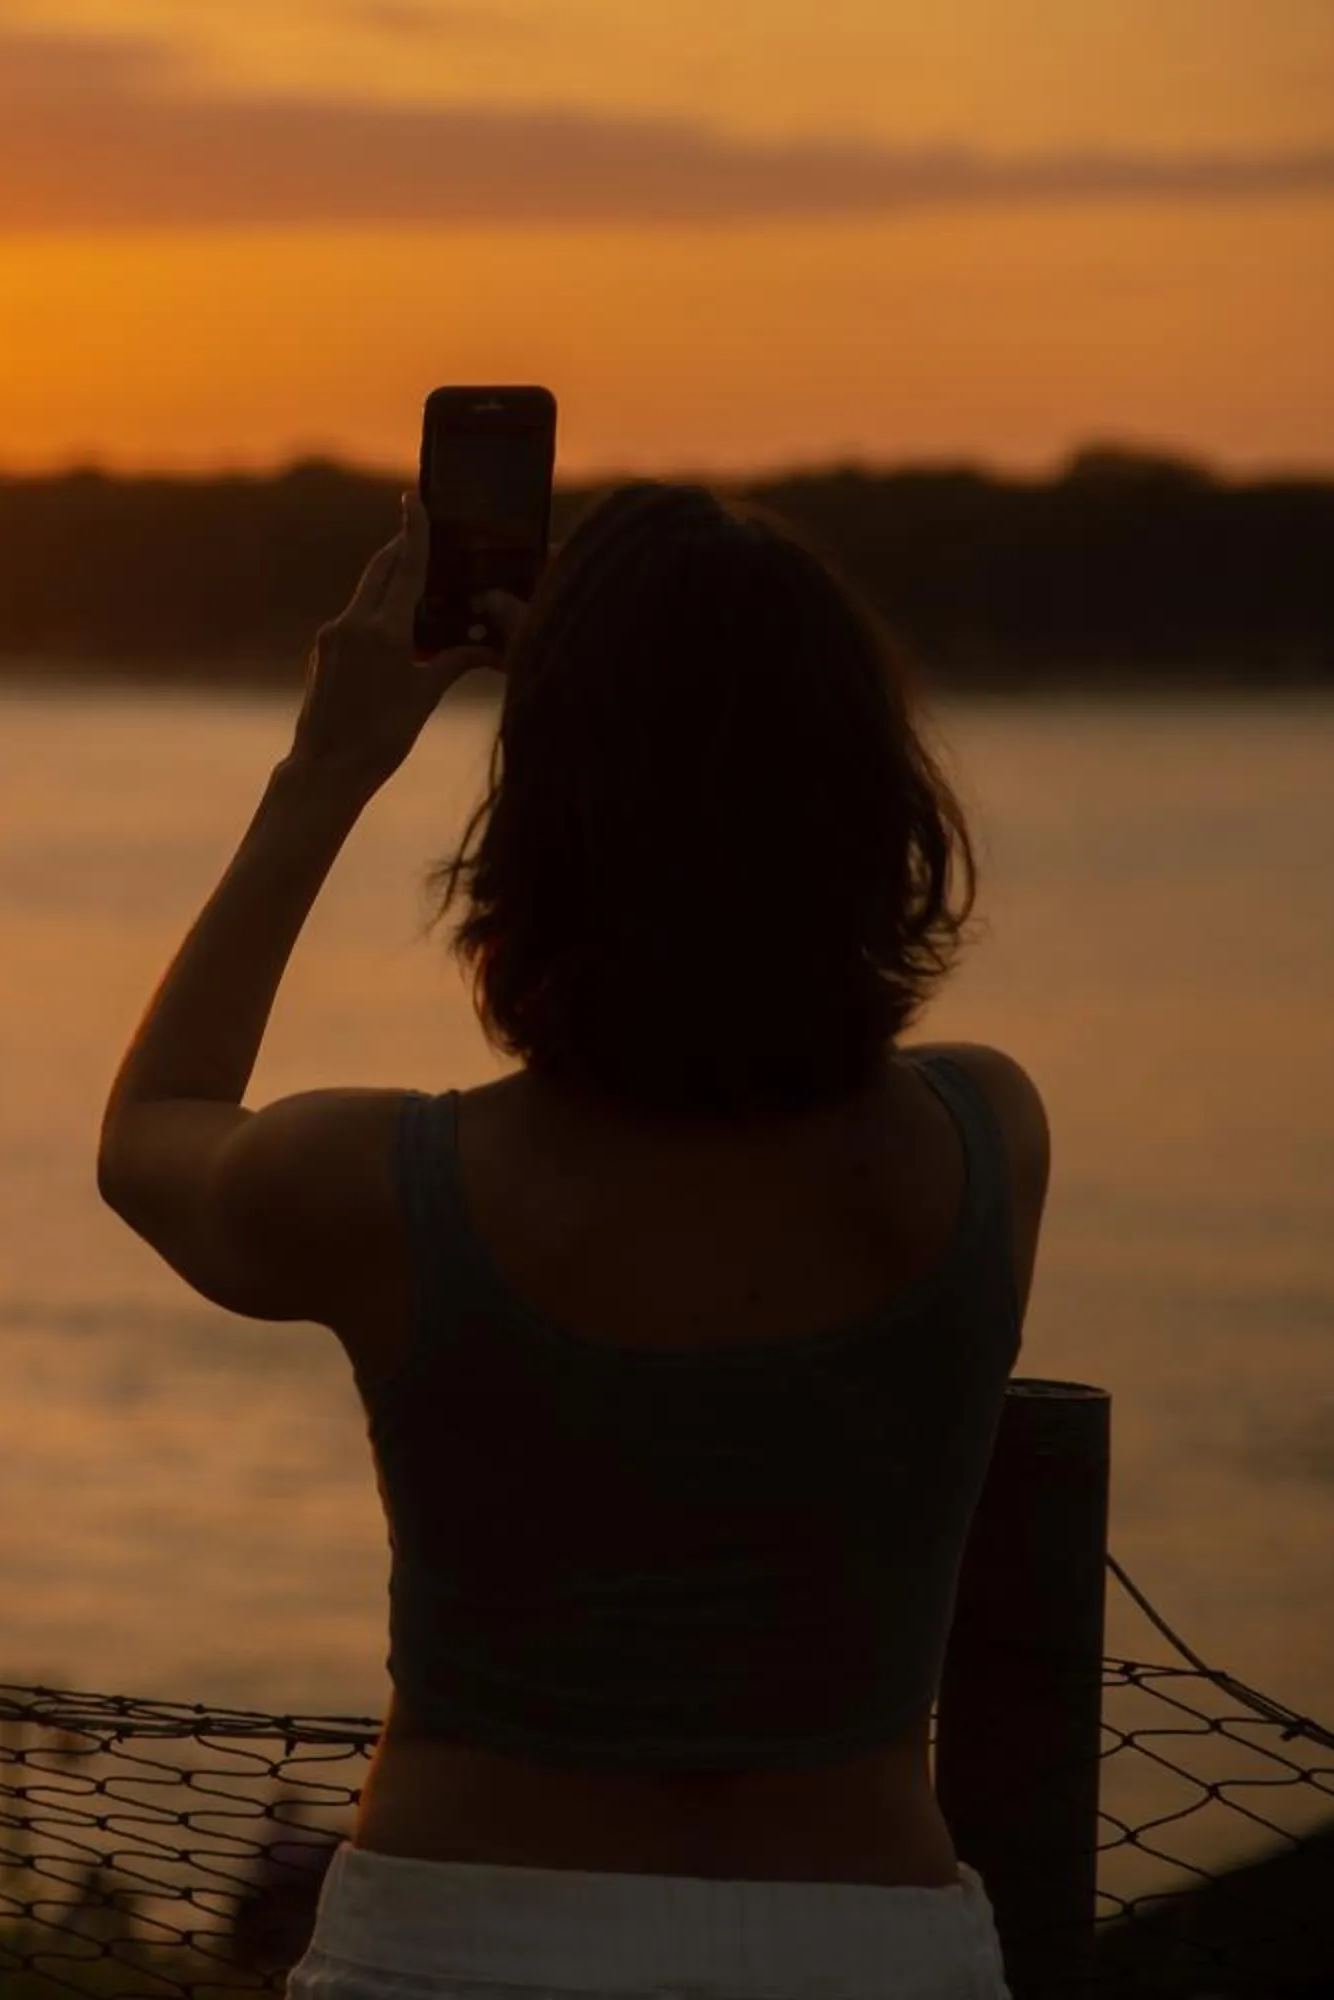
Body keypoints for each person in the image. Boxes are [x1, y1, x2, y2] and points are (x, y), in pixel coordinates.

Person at [96, 481, 1044, 1998]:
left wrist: (328, 765)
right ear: (873, 800)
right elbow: (739, 923)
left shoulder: (382, 1188)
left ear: (541, 818)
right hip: (870, 1944)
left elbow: (154, 1128)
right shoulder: (982, 1146)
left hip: (467, 1950)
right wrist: (652, 726)